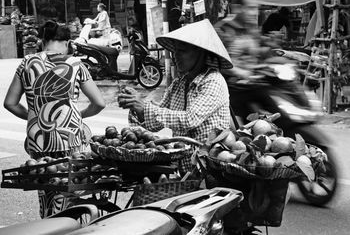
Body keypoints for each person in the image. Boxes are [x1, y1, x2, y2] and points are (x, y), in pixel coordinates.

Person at [3, 20, 105, 218]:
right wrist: (79, 115)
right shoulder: (76, 64)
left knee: (46, 185)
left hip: (38, 137)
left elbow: (10, 103)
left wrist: (35, 115)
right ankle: (71, 224)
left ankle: (50, 224)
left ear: (43, 41)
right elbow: (99, 103)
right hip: (70, 134)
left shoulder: (27, 62)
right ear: (67, 43)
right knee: (71, 187)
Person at [118, 19, 233, 174]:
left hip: (208, 168)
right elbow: (156, 122)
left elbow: (189, 119)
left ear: (199, 52)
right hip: (183, 168)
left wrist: (145, 108)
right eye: (175, 51)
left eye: (182, 51)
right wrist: (137, 106)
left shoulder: (213, 81)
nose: (175, 56)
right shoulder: (179, 83)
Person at [215, 0, 262, 80]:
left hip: (252, 82)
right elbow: (215, 62)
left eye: (257, 8)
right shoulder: (222, 28)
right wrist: (239, 72)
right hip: (228, 86)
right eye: (251, 8)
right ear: (238, 8)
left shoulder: (252, 28)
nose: (256, 13)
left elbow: (255, 55)